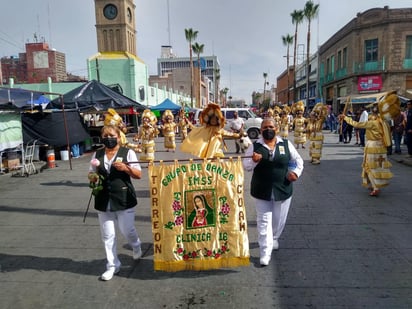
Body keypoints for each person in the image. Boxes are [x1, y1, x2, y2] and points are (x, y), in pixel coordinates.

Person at [243, 118, 304, 266]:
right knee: (263, 221)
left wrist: (295, 172)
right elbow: (246, 166)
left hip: (282, 188)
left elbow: (298, 161)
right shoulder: (255, 146)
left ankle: (275, 237)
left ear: (276, 129)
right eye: (264, 127)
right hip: (261, 189)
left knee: (278, 219)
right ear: (260, 130)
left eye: (270, 127)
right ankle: (265, 252)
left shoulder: (286, 144)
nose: (267, 129)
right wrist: (254, 161)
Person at [88, 125, 143, 281]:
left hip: (124, 197)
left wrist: (126, 168)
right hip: (103, 199)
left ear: (119, 137)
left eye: (111, 135)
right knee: (108, 235)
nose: (108, 138)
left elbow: (138, 174)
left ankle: (136, 244)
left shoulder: (128, 152)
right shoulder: (97, 154)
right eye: (105, 135)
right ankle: (112, 266)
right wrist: (93, 178)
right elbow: (92, 172)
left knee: (127, 230)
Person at [339, 92, 400, 197]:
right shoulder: (383, 122)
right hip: (381, 147)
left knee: (369, 167)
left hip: (372, 146)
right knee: (378, 167)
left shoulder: (373, 123)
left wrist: (345, 118)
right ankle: (374, 184)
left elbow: (357, 124)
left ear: (374, 113)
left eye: (372, 111)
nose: (370, 114)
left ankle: (375, 188)